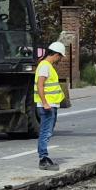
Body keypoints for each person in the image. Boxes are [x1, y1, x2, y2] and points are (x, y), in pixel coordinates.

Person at [33, 39, 67, 170]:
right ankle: (43, 159)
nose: (60, 59)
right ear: (56, 54)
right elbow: (40, 85)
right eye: (60, 57)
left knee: (48, 131)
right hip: (47, 105)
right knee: (45, 132)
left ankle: (44, 157)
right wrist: (45, 103)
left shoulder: (47, 66)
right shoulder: (45, 66)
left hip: (52, 104)